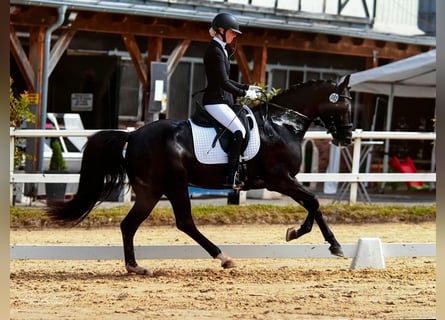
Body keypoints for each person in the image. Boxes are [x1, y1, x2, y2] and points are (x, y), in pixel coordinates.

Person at [202, 12, 261, 189]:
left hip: (223, 100)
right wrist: (244, 94)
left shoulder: (222, 49)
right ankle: (230, 175)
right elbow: (223, 82)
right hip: (215, 101)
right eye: (232, 32)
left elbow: (227, 79)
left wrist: (247, 87)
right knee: (239, 130)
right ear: (221, 30)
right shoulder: (214, 51)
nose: (234, 35)